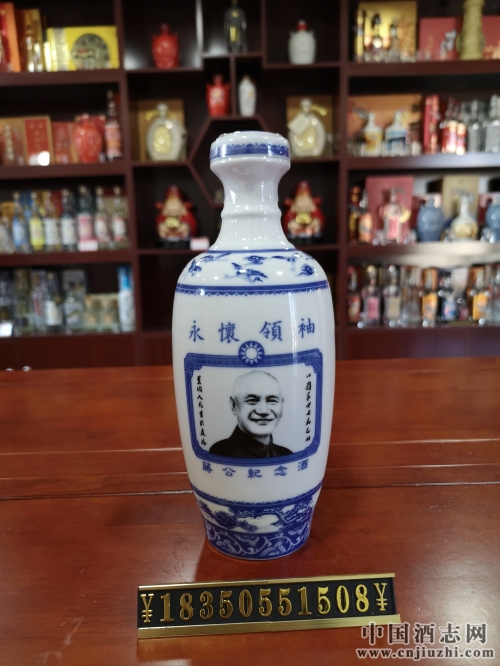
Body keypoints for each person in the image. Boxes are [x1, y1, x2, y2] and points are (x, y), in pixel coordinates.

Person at [210, 370, 292, 458]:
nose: (263, 411)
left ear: (281, 405)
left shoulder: (286, 454)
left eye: (272, 400)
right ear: (234, 405)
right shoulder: (219, 452)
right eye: (252, 400)